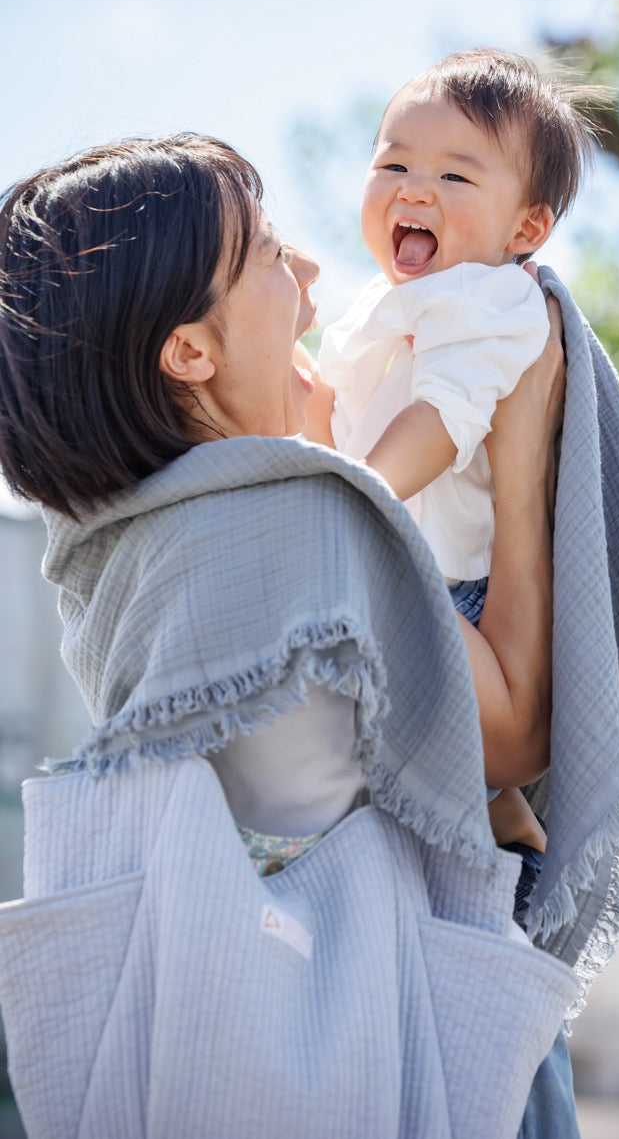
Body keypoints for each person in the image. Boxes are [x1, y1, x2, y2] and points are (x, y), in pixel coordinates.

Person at [0, 133, 580, 1138]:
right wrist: (522, 449)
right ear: (190, 349)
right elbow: (520, 730)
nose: (309, 270)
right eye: (266, 253)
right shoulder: (302, 522)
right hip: (409, 1035)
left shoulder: (126, 539)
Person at [309, 49, 601, 906]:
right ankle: (498, 809)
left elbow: (441, 417)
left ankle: (494, 809)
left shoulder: (492, 299)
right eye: (392, 163)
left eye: (454, 175)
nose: (413, 189)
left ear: (526, 231)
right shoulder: (380, 301)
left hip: (458, 583)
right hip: (414, 559)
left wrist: (350, 493)